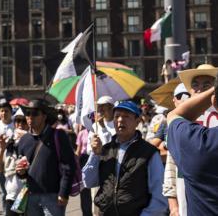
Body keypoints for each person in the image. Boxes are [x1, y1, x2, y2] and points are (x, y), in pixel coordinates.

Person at [82, 100, 168, 216]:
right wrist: (95, 154)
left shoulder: (149, 153)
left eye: (126, 116)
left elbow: (159, 195)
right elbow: (88, 182)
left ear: (137, 121)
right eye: (117, 116)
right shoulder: (105, 150)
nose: (120, 120)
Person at [166, 74, 218, 215]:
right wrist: (173, 204)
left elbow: (173, 117)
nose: (200, 90)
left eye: (206, 85)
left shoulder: (189, 136)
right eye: (195, 85)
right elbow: (171, 167)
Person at [15, 99, 76, 216]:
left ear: (44, 116)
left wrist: (64, 193)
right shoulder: (24, 140)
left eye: (34, 113)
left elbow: (68, 166)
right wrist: (20, 172)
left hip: (53, 196)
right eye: (27, 113)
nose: (30, 117)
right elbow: (22, 173)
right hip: (30, 195)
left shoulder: (58, 135)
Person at [0, 108, 28, 216]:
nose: (20, 124)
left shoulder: (34, 142)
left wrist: (27, 138)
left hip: (29, 198)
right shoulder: (10, 143)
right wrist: (2, 149)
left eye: (23, 121)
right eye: (17, 121)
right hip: (12, 197)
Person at [162, 83, 190, 216]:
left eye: (189, 95)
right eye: (180, 96)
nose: (185, 99)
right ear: (174, 101)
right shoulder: (173, 129)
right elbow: (171, 170)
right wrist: (173, 207)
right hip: (184, 206)